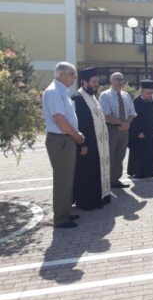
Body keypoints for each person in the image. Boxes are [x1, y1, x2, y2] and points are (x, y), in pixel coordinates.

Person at [42, 62, 85, 228]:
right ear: (62, 74)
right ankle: (60, 218)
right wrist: (77, 136)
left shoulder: (62, 91)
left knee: (67, 179)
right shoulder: (54, 92)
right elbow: (60, 121)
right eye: (72, 74)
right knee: (62, 179)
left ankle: (65, 212)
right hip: (60, 140)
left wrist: (75, 135)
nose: (75, 77)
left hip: (65, 139)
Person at [71, 68, 111, 211]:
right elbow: (76, 125)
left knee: (96, 171)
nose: (96, 85)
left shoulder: (93, 97)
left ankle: (101, 196)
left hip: (99, 144)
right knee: (87, 173)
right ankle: (87, 202)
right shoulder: (77, 98)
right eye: (94, 82)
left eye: (97, 82)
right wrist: (81, 144)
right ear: (84, 82)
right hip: (87, 144)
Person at [99, 72, 137, 188]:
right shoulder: (105, 95)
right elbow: (106, 114)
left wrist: (127, 124)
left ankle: (115, 180)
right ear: (111, 81)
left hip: (124, 129)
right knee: (109, 155)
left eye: (121, 79)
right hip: (111, 128)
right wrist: (122, 123)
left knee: (120, 155)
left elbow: (132, 113)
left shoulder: (126, 95)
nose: (120, 82)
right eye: (117, 79)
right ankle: (106, 181)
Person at [127, 80, 153, 179]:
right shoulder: (136, 102)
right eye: (148, 93)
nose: (150, 95)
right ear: (142, 92)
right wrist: (137, 132)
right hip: (140, 133)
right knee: (139, 153)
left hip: (151, 132)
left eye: (151, 93)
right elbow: (133, 118)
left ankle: (150, 172)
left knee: (151, 153)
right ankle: (138, 172)